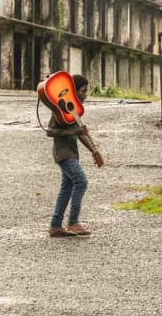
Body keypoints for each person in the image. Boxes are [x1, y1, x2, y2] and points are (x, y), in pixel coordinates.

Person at [47, 74, 104, 237]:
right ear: (74, 91)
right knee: (81, 181)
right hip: (63, 153)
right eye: (83, 91)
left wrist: (94, 151)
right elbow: (50, 131)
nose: (85, 94)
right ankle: (73, 222)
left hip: (72, 153)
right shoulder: (60, 107)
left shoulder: (74, 109)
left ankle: (56, 226)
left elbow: (81, 133)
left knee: (67, 187)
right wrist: (73, 131)